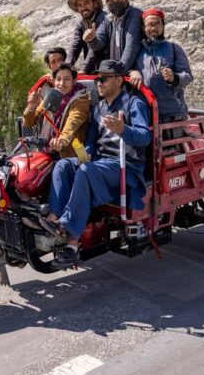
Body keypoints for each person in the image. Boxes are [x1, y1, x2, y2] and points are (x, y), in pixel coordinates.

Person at [42, 60, 152, 268]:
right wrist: (87, 154)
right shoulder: (99, 107)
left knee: (85, 171)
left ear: (119, 80)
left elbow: (145, 136)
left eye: (103, 78)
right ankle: (53, 216)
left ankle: (72, 242)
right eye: (97, 79)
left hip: (125, 165)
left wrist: (123, 129)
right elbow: (92, 141)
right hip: (101, 162)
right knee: (64, 165)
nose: (98, 83)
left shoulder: (133, 103)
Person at [129, 8, 193, 143]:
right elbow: (126, 69)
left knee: (172, 156)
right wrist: (132, 72)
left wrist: (174, 77)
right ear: (143, 28)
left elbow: (187, 76)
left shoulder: (174, 49)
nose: (153, 28)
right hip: (144, 116)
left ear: (163, 26)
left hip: (171, 115)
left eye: (157, 24)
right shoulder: (136, 51)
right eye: (149, 25)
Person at [23, 63, 91, 158]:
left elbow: (72, 124)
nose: (61, 83)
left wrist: (61, 140)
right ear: (54, 81)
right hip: (44, 150)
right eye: (58, 79)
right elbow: (29, 123)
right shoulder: (51, 97)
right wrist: (31, 107)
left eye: (66, 79)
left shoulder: (81, 100)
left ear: (74, 81)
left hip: (66, 155)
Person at [84, 0, 143, 72]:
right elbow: (98, 44)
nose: (114, 2)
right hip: (114, 73)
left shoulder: (135, 15)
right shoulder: (107, 19)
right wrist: (92, 39)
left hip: (131, 72)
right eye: (110, 0)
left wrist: (120, 70)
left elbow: (132, 45)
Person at [65, 0, 107, 73]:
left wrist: (84, 69)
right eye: (80, 5)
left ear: (95, 4)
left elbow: (95, 47)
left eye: (86, 3)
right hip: (93, 69)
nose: (83, 8)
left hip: (106, 68)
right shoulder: (81, 24)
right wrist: (65, 68)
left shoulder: (104, 19)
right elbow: (75, 45)